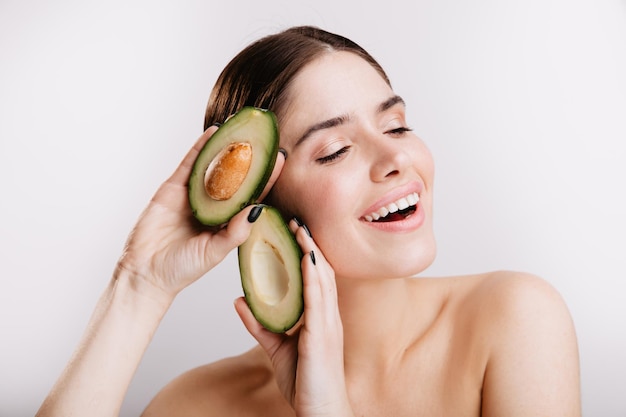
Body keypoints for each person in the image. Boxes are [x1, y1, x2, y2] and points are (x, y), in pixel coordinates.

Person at [35, 26, 581, 417]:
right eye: (336, 150)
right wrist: (140, 283)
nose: (397, 159)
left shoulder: (512, 320)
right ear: (261, 205)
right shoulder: (195, 404)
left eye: (395, 126)